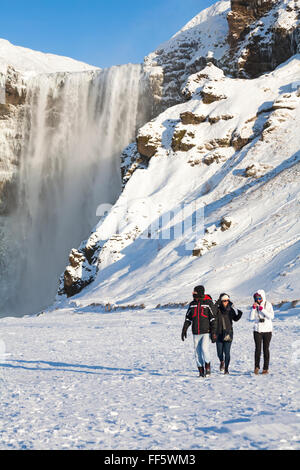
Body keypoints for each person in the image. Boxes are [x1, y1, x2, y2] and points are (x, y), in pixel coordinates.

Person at [181, 285, 216, 377]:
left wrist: (214, 332)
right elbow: (188, 318)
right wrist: (184, 329)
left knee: (205, 349)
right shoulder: (192, 304)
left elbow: (212, 319)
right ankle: (201, 371)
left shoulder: (208, 303)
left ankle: (208, 368)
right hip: (196, 332)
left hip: (206, 331)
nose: (193, 294)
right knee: (197, 353)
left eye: (195, 292)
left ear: (200, 293)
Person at [214, 293, 243, 375]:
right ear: (221, 301)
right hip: (218, 333)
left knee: (227, 352)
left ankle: (226, 369)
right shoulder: (217, 309)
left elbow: (235, 319)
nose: (226, 302)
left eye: (227, 300)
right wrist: (216, 304)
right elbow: (212, 314)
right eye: (224, 300)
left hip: (228, 333)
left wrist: (239, 315)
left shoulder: (230, 309)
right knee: (219, 352)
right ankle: (221, 361)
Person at [249, 289, 274, 375]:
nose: (258, 300)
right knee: (258, 349)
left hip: (267, 330)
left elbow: (271, 316)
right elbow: (251, 318)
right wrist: (253, 309)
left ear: (263, 297)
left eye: (259, 298)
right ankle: (256, 367)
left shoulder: (268, 304)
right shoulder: (255, 306)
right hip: (257, 330)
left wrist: (262, 309)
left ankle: (265, 368)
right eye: (256, 298)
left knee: (266, 349)